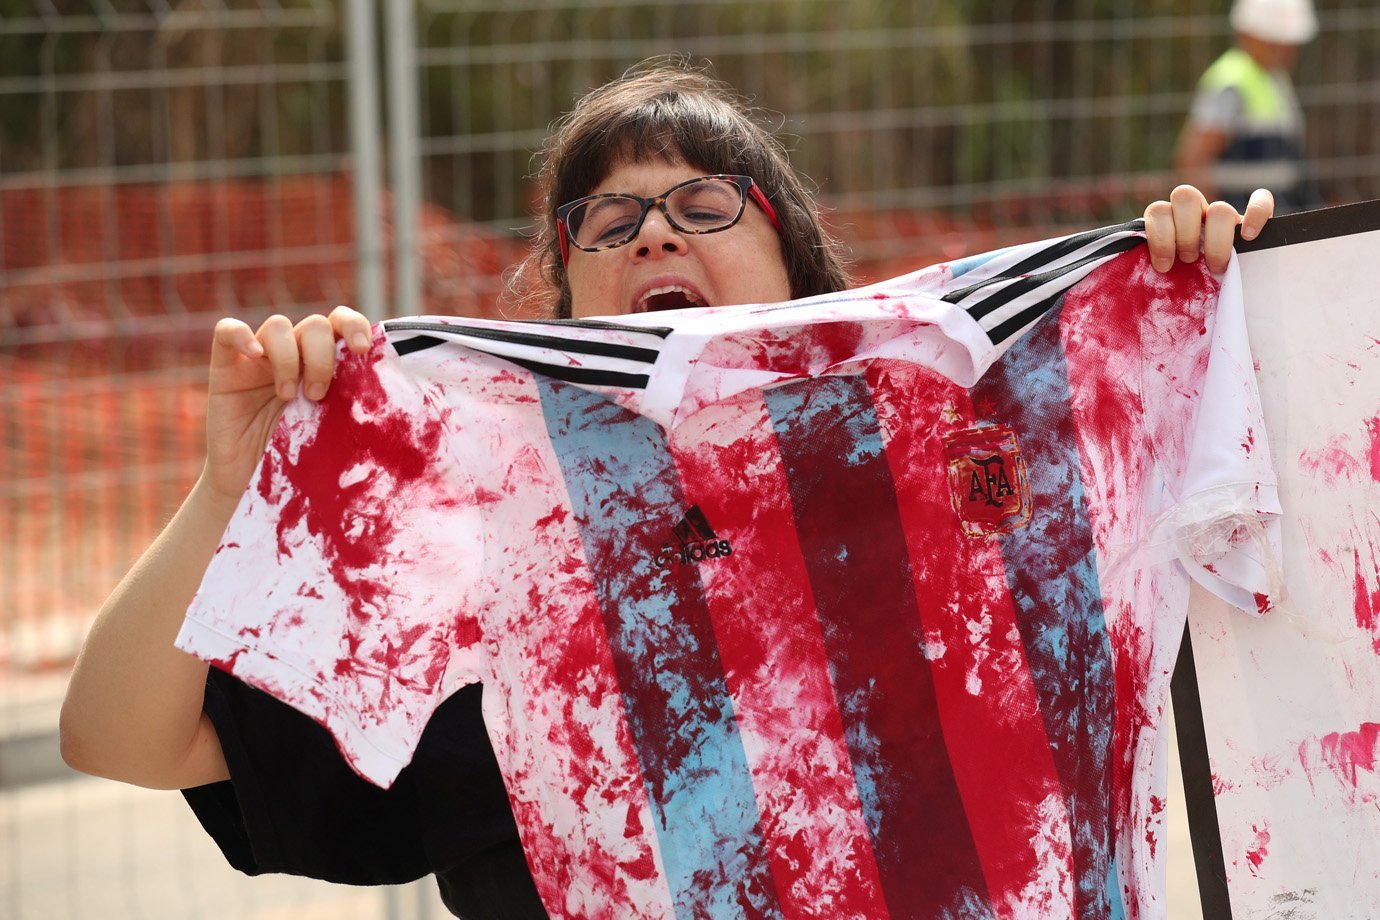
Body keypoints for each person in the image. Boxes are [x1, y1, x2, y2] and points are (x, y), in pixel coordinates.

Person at [59, 58, 1275, 919]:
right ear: (562, 296)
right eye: (608, 218)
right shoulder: (498, 555)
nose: (653, 234)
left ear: (800, 266)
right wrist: (231, 482)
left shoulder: (971, 484)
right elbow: (117, 736)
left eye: (704, 204)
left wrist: (1215, 300)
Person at [1175, 0, 1322, 213]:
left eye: (1289, 43)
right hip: (1242, 225)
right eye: (1274, 41)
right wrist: (1213, 226)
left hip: (1274, 218)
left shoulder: (1274, 78)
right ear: (1247, 34)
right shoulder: (1231, 82)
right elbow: (1193, 160)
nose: (1284, 50)